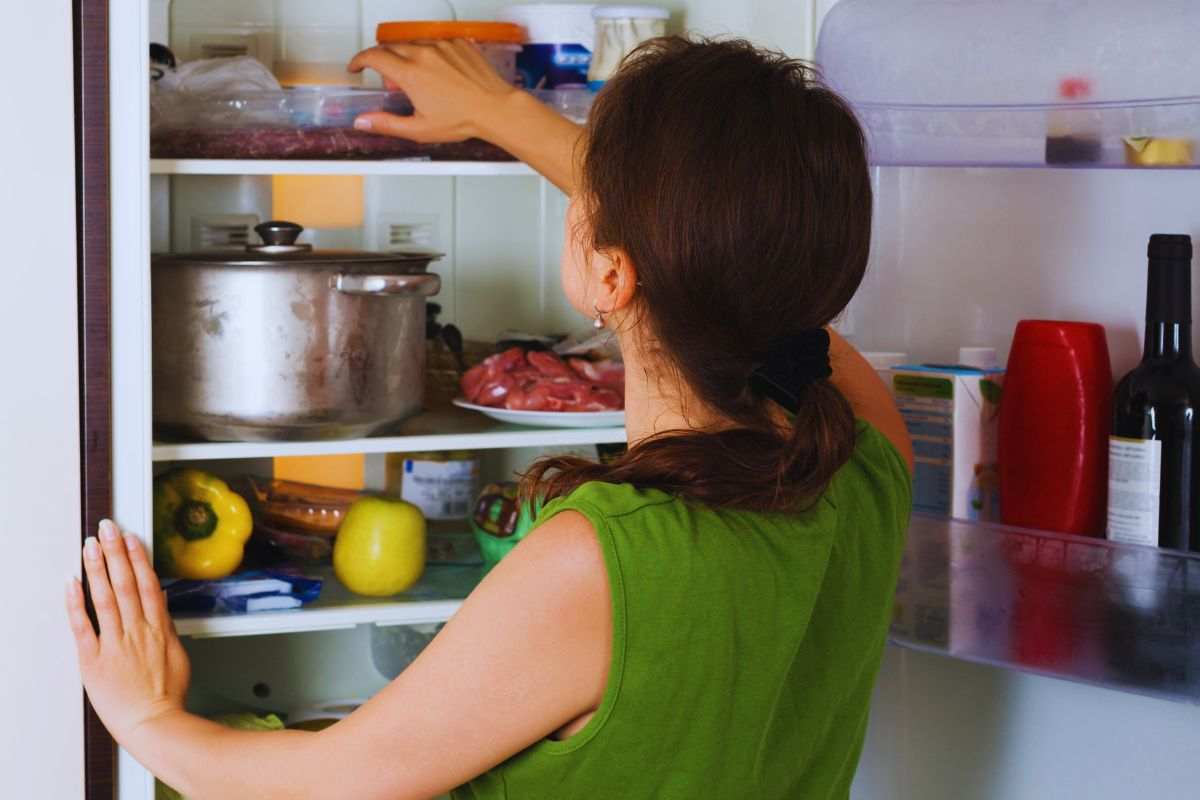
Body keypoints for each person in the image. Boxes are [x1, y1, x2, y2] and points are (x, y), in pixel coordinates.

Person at [67, 37, 912, 800]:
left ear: (611, 279)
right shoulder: (868, 455)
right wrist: (501, 111)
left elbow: (337, 783)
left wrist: (148, 722)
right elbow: (733, 254)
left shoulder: (603, 560)